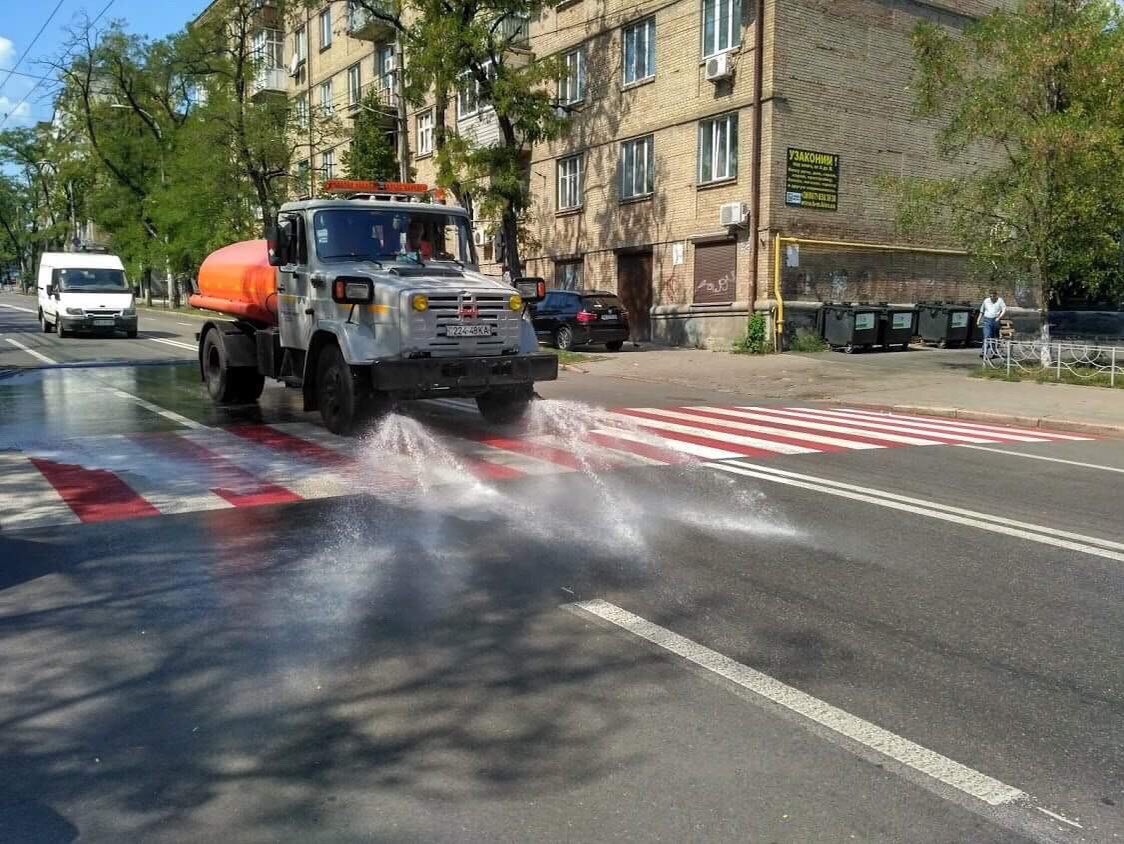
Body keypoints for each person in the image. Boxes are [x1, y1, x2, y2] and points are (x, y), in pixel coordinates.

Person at [978, 288, 1007, 358]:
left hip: (995, 320)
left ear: (996, 295)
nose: (992, 298)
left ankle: (994, 351)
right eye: (991, 296)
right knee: (987, 335)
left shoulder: (1000, 300)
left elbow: (1004, 309)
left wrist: (999, 317)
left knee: (995, 336)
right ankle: (984, 351)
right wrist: (978, 320)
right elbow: (982, 311)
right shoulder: (986, 301)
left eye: (993, 296)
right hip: (987, 319)